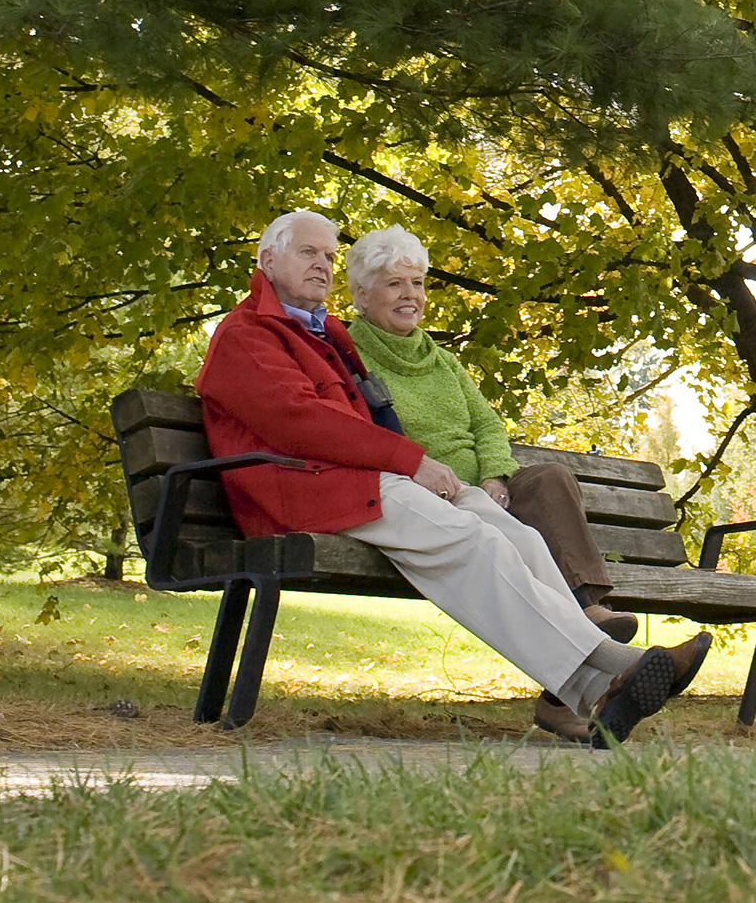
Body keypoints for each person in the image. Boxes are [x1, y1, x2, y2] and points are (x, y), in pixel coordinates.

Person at [194, 209, 710, 746]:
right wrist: (410, 461)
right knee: (468, 537)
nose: (322, 264)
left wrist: (431, 470)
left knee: (518, 536)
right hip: (304, 487)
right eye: (309, 253)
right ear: (267, 259)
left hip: (352, 479)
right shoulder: (247, 334)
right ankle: (621, 663)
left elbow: (376, 419)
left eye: (328, 254)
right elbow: (301, 422)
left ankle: (599, 693)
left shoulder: (319, 332)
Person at [345, 223, 640, 743]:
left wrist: (495, 474)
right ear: (362, 294)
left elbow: (485, 424)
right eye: (394, 285)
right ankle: (588, 634)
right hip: (424, 491)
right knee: (508, 540)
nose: (410, 295)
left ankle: (586, 612)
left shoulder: (440, 359)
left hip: (479, 488)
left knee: (548, 479)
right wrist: (447, 478)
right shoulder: (350, 355)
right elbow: (371, 435)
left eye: (417, 284)